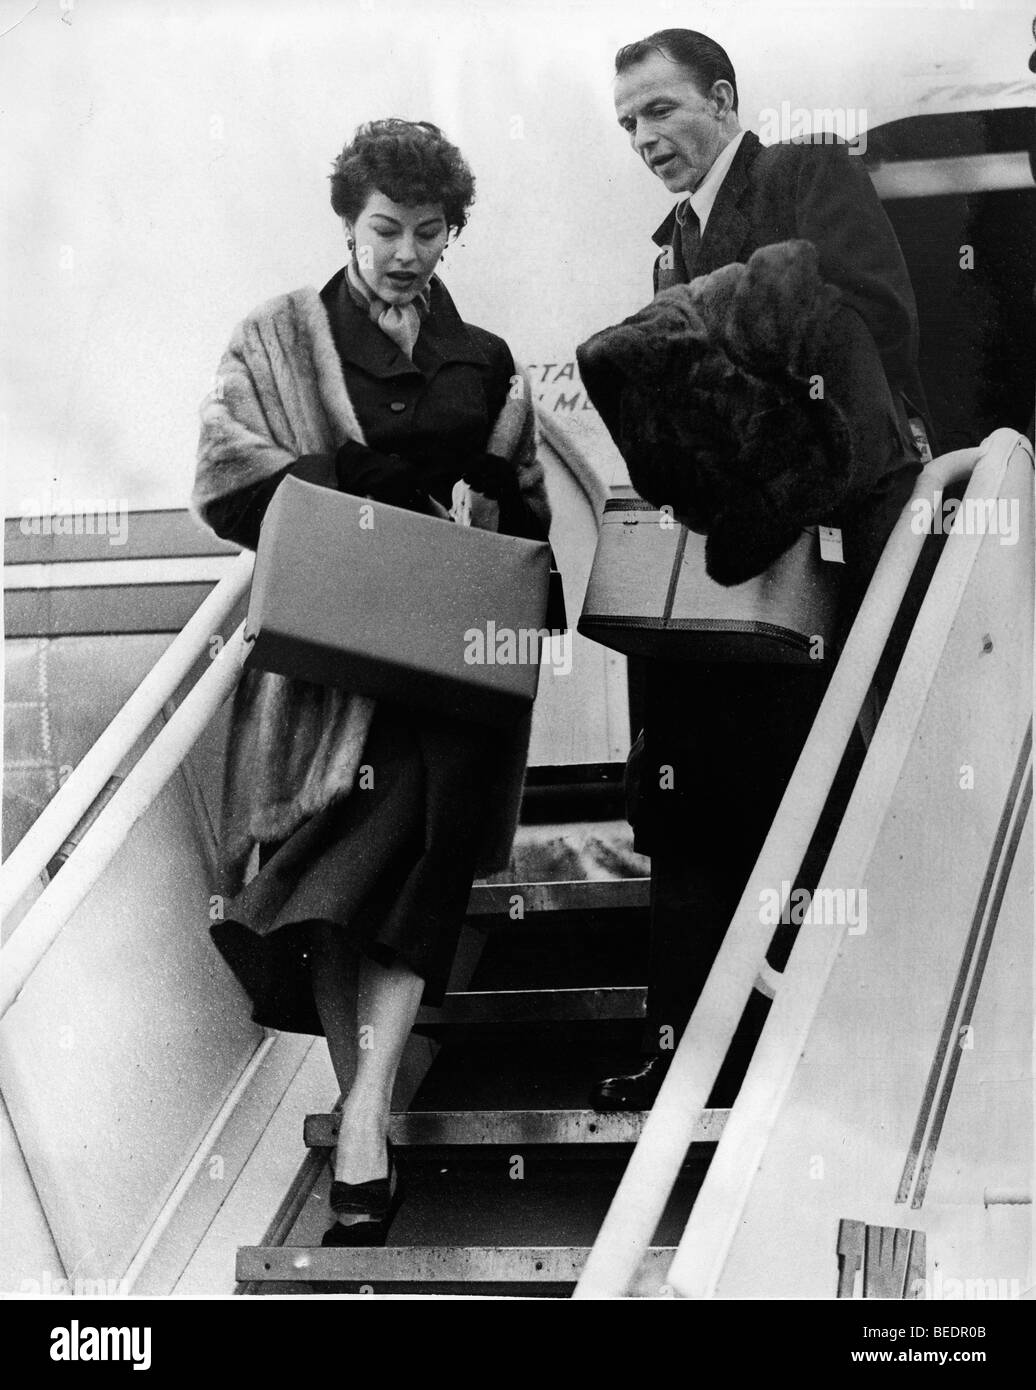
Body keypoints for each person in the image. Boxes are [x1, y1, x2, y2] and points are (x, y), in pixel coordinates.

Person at [191, 119, 551, 1241]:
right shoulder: (274, 339)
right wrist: (346, 487)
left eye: (428, 232)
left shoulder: (485, 356)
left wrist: (484, 509)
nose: (406, 253)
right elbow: (221, 473)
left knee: (412, 879)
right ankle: (366, 1111)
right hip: (328, 672)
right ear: (348, 222)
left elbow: (524, 517)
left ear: (452, 232)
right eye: (386, 229)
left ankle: (360, 1120)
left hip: (446, 668)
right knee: (341, 892)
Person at [588, 29, 930, 1110]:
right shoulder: (666, 249)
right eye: (627, 123)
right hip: (737, 561)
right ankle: (684, 1035)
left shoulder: (805, 178)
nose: (643, 138)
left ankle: (824, 1043)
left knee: (824, 780)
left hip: (832, 538)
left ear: (724, 98)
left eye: (659, 111)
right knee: (688, 781)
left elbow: (876, 325)